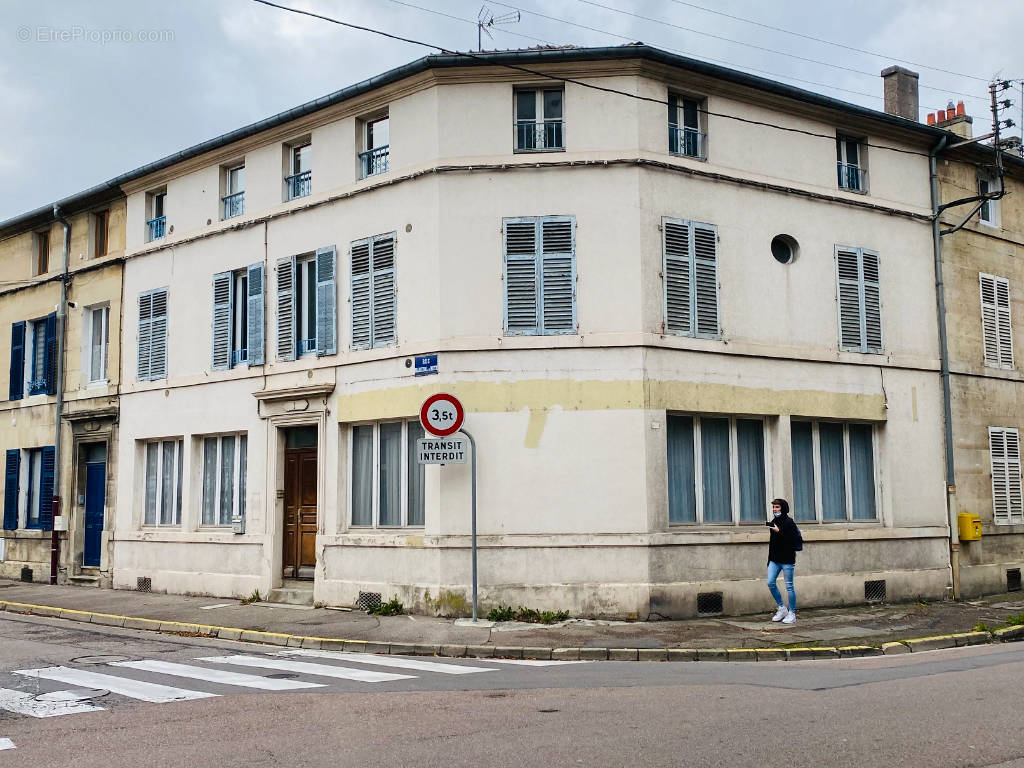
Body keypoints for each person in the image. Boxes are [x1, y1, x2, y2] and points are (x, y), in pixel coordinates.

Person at [766, 497, 798, 624]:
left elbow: (793, 541)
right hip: (774, 559)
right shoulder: (773, 522)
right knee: (770, 582)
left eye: (777, 507)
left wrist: (779, 531)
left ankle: (792, 613)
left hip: (787, 559)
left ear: (783, 508)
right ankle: (782, 608)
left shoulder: (790, 523)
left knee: (789, 586)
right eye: (774, 507)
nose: (775, 509)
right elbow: (772, 543)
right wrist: (769, 560)